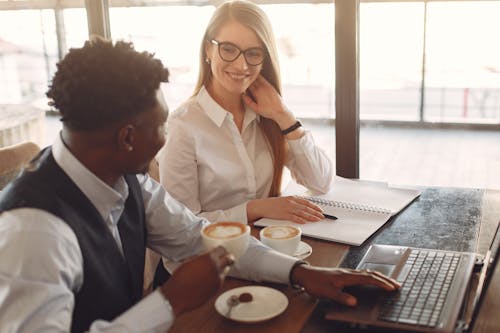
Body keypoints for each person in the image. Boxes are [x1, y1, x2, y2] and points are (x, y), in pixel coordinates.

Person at [0, 38, 399, 333]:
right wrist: (169, 301)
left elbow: (201, 237)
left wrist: (302, 273)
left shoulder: (123, 178)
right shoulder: (33, 233)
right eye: (160, 125)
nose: (165, 136)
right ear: (126, 137)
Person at [157, 0, 333, 225]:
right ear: (208, 49)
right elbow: (181, 227)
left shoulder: (268, 113)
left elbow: (321, 182)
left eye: (253, 53)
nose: (242, 66)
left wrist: (283, 116)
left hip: (268, 244)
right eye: (228, 49)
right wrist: (255, 209)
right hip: (214, 255)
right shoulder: (182, 127)